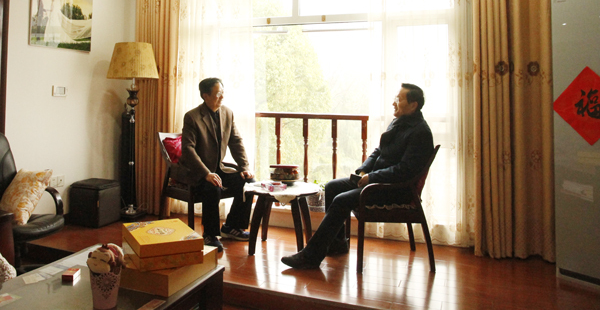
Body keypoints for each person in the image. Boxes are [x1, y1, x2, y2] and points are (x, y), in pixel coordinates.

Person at [281, 83, 434, 269]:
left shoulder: (420, 132)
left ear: (413, 105)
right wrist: (362, 171)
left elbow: (404, 171)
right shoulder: (399, 122)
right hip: (379, 182)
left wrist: (372, 177)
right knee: (332, 187)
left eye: (398, 99)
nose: (394, 103)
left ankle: (311, 256)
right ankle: (337, 243)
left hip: (395, 190)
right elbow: (378, 152)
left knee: (341, 200)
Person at [180, 78, 255, 252]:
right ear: (205, 96)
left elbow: (236, 142)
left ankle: (231, 227)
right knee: (213, 187)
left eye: (223, 92)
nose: (222, 97)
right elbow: (188, 149)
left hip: (219, 168)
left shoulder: (227, 113)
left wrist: (244, 167)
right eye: (218, 94)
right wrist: (206, 173)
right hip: (198, 171)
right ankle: (210, 234)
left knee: (248, 183)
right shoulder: (192, 117)